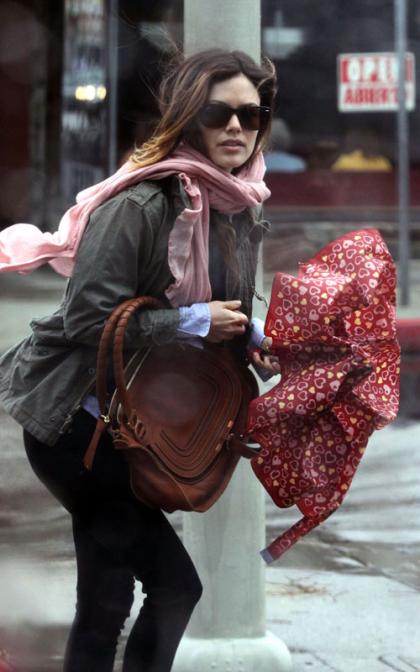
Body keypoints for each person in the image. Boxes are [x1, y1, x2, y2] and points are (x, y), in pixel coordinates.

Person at [0, 49, 278, 672]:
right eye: (217, 113)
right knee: (176, 587)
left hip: (138, 427)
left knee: (105, 598)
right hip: (81, 426)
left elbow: (217, 305)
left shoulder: (239, 204)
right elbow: (88, 319)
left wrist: (248, 333)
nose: (236, 128)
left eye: (250, 114)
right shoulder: (142, 203)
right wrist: (195, 321)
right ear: (187, 117)